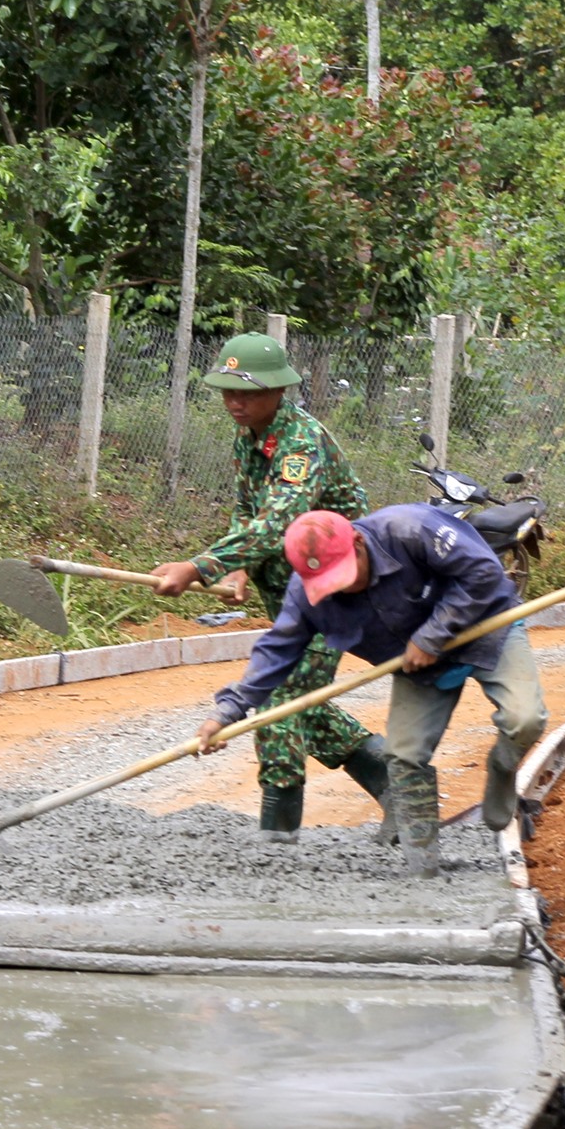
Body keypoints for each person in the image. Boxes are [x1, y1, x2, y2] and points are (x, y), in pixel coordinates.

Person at [195, 506, 547, 877]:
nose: (342, 588)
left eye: (343, 575)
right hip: (420, 665)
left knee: (523, 719)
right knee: (405, 756)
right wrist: (226, 712)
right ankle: (423, 871)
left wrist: (432, 635)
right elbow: (275, 652)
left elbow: (484, 573)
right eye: (329, 582)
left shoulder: (411, 530)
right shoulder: (306, 594)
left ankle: (502, 770)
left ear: (359, 543)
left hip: (488, 628)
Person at [150, 331, 389, 841]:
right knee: (299, 703)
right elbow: (247, 510)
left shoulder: (300, 442)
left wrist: (200, 566)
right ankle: (395, 781)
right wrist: (237, 568)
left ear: (279, 391)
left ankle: (277, 838)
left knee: (280, 701)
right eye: (228, 392)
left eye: (249, 393)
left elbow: (280, 523)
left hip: (339, 593)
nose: (236, 403)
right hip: (287, 596)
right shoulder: (249, 437)